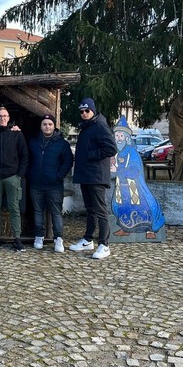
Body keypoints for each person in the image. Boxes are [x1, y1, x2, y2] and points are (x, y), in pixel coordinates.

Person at [69, 98, 118, 259]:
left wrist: (91, 155)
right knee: (90, 209)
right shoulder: (87, 127)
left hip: (97, 176)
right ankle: (88, 239)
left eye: (87, 110)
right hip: (86, 175)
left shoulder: (100, 126)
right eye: (81, 111)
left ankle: (104, 244)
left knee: (100, 210)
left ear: (93, 111)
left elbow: (111, 148)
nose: (84, 113)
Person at [0, 106, 29, 252]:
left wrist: (19, 175)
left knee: (14, 208)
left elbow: (24, 155)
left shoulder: (16, 134)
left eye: (5, 116)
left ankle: (17, 238)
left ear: (8, 118)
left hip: (12, 176)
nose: (2, 118)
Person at [111, 116, 165, 238]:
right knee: (122, 207)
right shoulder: (118, 153)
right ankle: (125, 229)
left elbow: (135, 169)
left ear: (126, 137)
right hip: (122, 187)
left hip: (134, 186)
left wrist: (118, 169)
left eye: (121, 136)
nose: (119, 139)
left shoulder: (132, 152)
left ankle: (149, 231)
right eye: (117, 136)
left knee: (143, 206)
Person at [27, 114, 73, 252]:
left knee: (56, 213)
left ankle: (58, 239)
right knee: (38, 211)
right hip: (36, 184)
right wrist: (30, 174)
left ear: (54, 126)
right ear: (41, 127)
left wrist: (58, 176)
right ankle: (39, 236)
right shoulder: (33, 142)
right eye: (45, 124)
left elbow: (68, 161)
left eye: (50, 124)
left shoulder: (62, 143)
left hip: (54, 185)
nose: (47, 126)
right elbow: (27, 159)